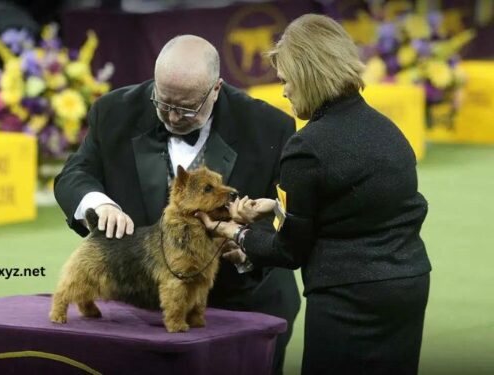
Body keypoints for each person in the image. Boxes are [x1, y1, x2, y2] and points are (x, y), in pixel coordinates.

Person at [196, 14, 432, 375]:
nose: (284, 91)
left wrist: (236, 232)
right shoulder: (388, 131)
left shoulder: (307, 147)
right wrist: (278, 207)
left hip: (348, 298)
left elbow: (290, 251)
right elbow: (356, 207)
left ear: (307, 77)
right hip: (408, 285)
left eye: (287, 80)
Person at [54, 34, 300, 374]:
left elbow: (291, 216)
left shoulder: (271, 127)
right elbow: (74, 173)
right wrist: (97, 203)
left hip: (245, 303)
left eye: (186, 108)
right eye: (163, 102)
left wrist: (252, 248)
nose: (171, 116)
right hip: (141, 306)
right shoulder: (112, 111)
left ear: (216, 88)